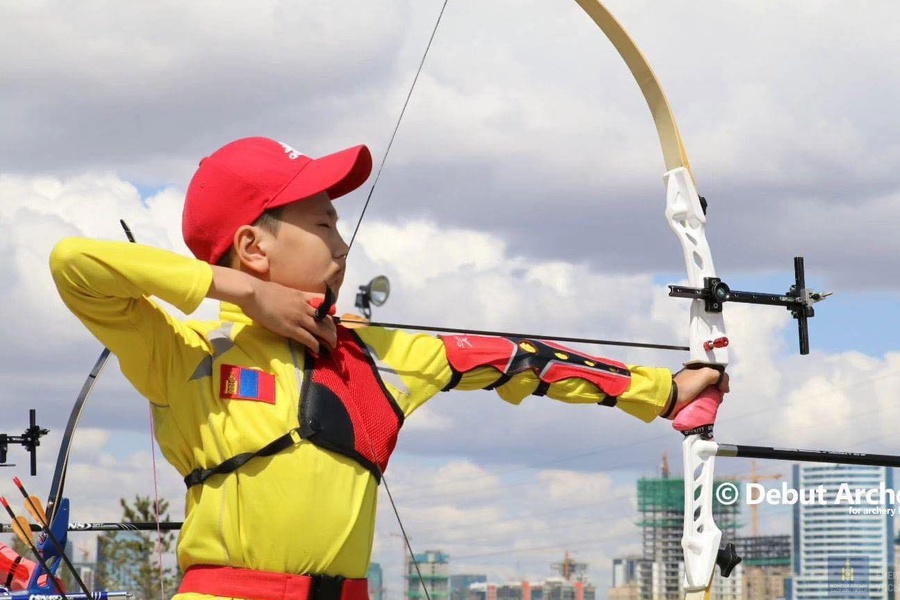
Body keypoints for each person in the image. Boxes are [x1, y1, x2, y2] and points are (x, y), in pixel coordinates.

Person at [49, 137, 728, 600]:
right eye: (323, 224)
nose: (342, 244)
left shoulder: (382, 356)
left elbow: (516, 361)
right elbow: (75, 265)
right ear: (253, 246)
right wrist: (248, 295)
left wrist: (663, 390)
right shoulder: (186, 355)